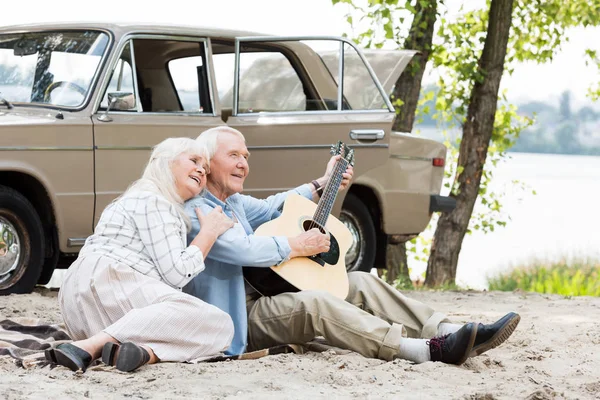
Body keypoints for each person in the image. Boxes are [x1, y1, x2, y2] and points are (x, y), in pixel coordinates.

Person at [184, 127, 520, 365]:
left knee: (357, 280)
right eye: (234, 155)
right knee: (315, 303)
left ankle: (447, 328)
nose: (244, 163)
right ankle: (422, 350)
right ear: (207, 161)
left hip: (265, 300)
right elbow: (243, 250)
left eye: (246, 155)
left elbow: (276, 206)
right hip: (237, 322)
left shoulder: (235, 202)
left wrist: (322, 182)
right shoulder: (198, 210)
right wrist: (299, 244)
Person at [46, 137, 235, 373]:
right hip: (109, 286)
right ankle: (89, 347)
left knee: (210, 326)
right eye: (194, 160)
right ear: (165, 163)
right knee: (221, 324)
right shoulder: (154, 200)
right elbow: (177, 274)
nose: (201, 170)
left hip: (81, 307)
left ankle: (142, 353)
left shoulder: (135, 199)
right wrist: (209, 232)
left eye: (206, 169)